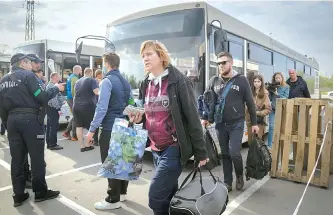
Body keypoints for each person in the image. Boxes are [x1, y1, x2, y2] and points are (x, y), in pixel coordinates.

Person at [131, 40, 208, 215]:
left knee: (156, 196)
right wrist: (137, 119)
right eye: (143, 56)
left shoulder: (178, 81)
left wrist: (201, 152)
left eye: (149, 54)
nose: (145, 58)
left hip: (174, 148)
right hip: (155, 148)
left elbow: (192, 118)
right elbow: (147, 116)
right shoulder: (146, 83)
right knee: (169, 194)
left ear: (161, 55)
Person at [0, 53, 64, 207]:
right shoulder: (28, 76)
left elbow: (1, 107)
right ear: (23, 63)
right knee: (36, 158)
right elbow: (41, 96)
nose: (31, 67)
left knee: (17, 160)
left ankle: (19, 194)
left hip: (12, 121)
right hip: (30, 120)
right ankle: (40, 192)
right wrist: (55, 88)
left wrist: (8, 125)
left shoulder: (3, 81)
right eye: (29, 64)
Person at [201, 52, 258, 192]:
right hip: (220, 124)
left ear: (231, 63)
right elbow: (206, 101)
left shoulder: (241, 80)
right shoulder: (213, 81)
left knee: (234, 152)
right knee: (225, 154)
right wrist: (205, 118)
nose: (221, 65)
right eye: (218, 63)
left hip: (237, 123)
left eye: (224, 62)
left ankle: (239, 175)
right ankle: (227, 182)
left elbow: (250, 103)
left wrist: (254, 123)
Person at [85, 53, 134, 210]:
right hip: (125, 124)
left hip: (110, 127)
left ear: (106, 64)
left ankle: (113, 199)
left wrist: (92, 130)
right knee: (123, 160)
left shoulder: (106, 81)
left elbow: (101, 108)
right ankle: (123, 193)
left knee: (110, 162)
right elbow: (131, 103)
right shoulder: (126, 82)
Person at [73, 68, 98, 152]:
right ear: (91, 73)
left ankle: (82, 146)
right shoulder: (92, 80)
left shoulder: (77, 82)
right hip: (88, 107)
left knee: (79, 126)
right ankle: (87, 144)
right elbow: (97, 92)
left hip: (76, 106)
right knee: (91, 126)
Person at [246, 74, 271, 144]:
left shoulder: (265, 94)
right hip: (249, 121)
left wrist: (257, 113)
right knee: (250, 142)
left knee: (257, 142)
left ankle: (258, 155)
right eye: (255, 81)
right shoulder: (249, 92)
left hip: (259, 121)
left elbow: (268, 109)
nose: (256, 83)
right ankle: (251, 155)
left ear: (261, 83)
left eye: (258, 81)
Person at [268, 72, 289, 148]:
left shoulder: (286, 87)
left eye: (279, 77)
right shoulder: (273, 86)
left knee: (281, 127)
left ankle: (281, 144)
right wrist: (269, 91)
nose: (277, 79)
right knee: (271, 127)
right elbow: (269, 99)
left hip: (281, 109)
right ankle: (269, 146)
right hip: (272, 109)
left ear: (282, 78)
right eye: (276, 78)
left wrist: (277, 94)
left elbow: (286, 98)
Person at [46, 72, 65, 150]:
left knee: (49, 127)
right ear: (54, 77)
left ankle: (49, 143)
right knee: (53, 127)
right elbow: (53, 100)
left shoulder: (50, 85)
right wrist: (58, 108)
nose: (59, 78)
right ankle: (53, 144)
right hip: (53, 108)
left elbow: (58, 97)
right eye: (58, 77)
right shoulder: (52, 86)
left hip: (50, 108)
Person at [63, 65, 82, 141]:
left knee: (75, 116)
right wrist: (76, 99)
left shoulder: (70, 77)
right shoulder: (74, 77)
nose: (81, 72)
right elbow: (74, 90)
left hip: (70, 98)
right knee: (76, 117)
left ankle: (67, 132)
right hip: (72, 99)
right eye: (80, 70)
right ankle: (74, 135)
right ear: (77, 70)